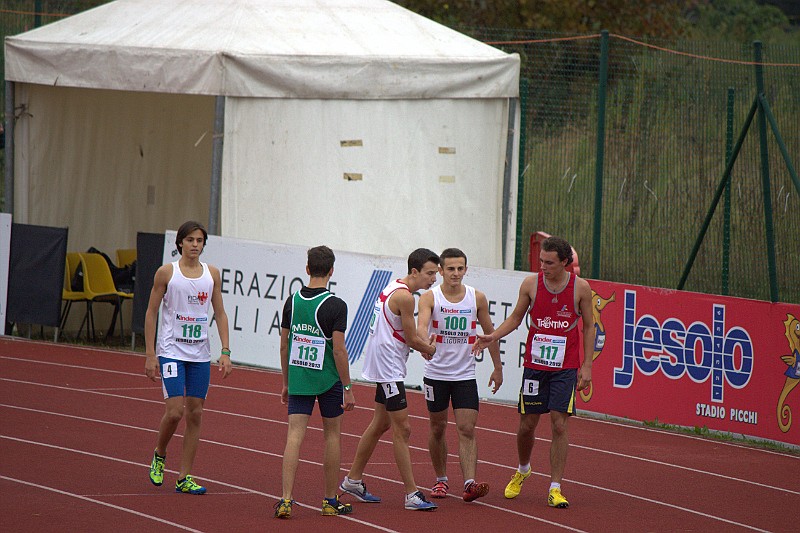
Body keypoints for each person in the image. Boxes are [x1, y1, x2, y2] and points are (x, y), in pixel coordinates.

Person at [473, 236, 593, 508]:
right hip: (535, 366)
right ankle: (523, 468)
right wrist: (493, 337)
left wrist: (587, 366)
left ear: (565, 262)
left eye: (549, 263)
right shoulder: (531, 284)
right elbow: (516, 317)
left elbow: (589, 327)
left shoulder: (580, 289)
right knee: (527, 425)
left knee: (559, 424)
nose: (543, 267)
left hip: (565, 367)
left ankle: (555, 487)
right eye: (541, 261)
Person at [339, 248, 440, 511]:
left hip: (385, 362)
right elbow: (410, 337)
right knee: (402, 428)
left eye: (435, 274)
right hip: (388, 367)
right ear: (414, 272)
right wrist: (428, 349)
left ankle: (352, 480)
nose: (433, 279)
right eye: (430, 273)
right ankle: (411, 494)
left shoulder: (394, 286)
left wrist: (422, 346)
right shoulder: (406, 297)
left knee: (380, 422)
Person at [144, 220, 232, 495]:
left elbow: (220, 313)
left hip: (199, 355)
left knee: (195, 413)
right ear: (180, 242)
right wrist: (150, 354)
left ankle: (184, 476)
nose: (195, 245)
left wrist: (225, 351)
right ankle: (160, 453)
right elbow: (151, 313)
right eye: (191, 240)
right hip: (171, 352)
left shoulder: (212, 274)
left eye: (200, 240)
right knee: (175, 412)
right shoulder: (166, 273)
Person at [274, 246, 356, 519]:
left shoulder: (292, 302)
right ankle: (330, 500)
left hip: (299, 377)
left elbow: (284, 345)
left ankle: (286, 500)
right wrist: (347, 387)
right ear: (331, 271)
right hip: (328, 380)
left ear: (307, 269)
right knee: (332, 436)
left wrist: (286, 382)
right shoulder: (336, 305)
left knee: (294, 436)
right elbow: (339, 350)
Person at [416, 248, 503, 503]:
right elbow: (421, 326)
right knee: (438, 427)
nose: (455, 273)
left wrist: (497, 367)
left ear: (466, 269)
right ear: (441, 271)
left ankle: (469, 484)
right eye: (450, 269)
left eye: (460, 268)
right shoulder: (430, 298)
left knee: (466, 428)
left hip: (465, 375)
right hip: (436, 374)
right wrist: (424, 342)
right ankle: (441, 479)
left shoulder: (477, 298)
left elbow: (490, 334)